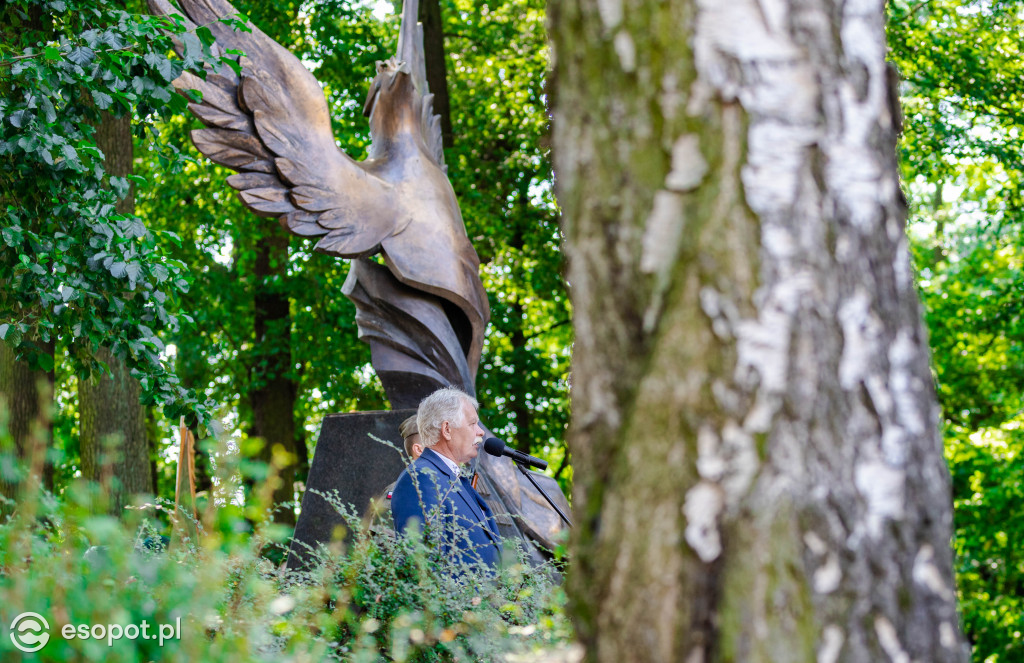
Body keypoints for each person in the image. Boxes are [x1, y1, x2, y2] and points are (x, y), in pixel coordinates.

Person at [390, 387, 502, 569]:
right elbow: (420, 565)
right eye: (473, 424)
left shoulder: (457, 481)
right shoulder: (421, 478)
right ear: (447, 430)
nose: (481, 432)